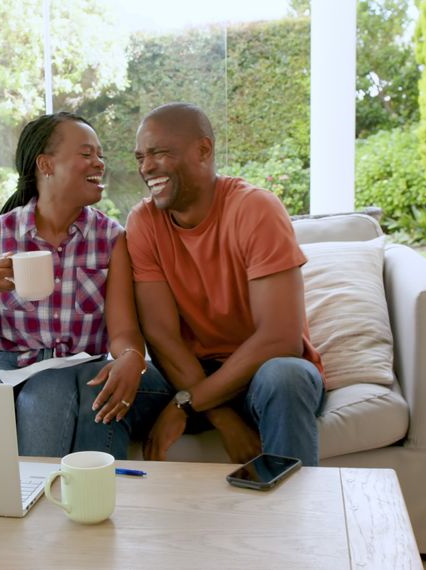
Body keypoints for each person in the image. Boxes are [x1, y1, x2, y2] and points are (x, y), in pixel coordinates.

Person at [0, 111, 170, 459]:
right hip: (10, 364)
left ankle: (44, 496)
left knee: (51, 388)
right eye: (86, 154)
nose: (99, 163)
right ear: (46, 165)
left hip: (78, 365)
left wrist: (130, 356)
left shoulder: (111, 240)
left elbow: (123, 330)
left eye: (100, 155)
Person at [125, 102, 327, 466]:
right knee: (100, 387)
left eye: (159, 153)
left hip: (262, 374)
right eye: (140, 157)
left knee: (287, 377)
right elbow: (162, 336)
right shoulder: (143, 222)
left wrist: (189, 403)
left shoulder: (255, 209)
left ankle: (294, 520)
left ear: (204, 150)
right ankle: (104, 511)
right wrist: (219, 416)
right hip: (187, 377)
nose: (146, 167)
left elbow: (280, 338)